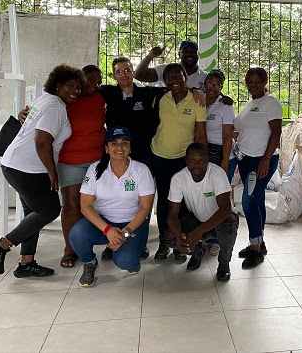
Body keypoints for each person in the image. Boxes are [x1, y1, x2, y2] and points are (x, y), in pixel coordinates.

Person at [99, 56, 203, 261]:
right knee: (120, 199)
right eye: (119, 71)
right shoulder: (107, 92)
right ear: (114, 75)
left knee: (151, 200)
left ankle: (147, 242)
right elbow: (84, 89)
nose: (124, 74)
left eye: (127, 70)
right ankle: (114, 242)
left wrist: (195, 90)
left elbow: (177, 87)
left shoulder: (148, 93)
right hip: (117, 155)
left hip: (144, 156)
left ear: (132, 72)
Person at [0, 64, 84, 278]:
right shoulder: (55, 106)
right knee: (49, 210)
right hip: (28, 168)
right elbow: (42, 142)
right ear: (57, 86)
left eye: (78, 87)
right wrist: (52, 172)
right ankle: (1, 245)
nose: (75, 91)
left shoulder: (44, 100)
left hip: (15, 164)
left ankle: (26, 263)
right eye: (70, 86)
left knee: (33, 214)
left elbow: (29, 123)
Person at [69, 127, 155, 287]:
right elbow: (85, 206)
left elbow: (145, 208)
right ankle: (90, 263)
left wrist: (125, 234)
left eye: (124, 143)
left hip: (132, 224)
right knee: (77, 233)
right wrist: (108, 230)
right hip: (103, 223)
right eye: (114, 143)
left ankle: (133, 255)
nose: (120, 148)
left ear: (130, 147)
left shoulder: (141, 170)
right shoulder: (95, 169)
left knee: (126, 262)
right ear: (106, 148)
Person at [150, 63, 207, 261]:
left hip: (183, 159)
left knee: (182, 202)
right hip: (160, 156)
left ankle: (179, 244)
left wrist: (201, 160)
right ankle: (164, 243)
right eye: (169, 77)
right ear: (164, 81)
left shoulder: (197, 100)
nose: (174, 80)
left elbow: (200, 132)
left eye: (178, 76)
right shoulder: (159, 98)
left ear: (185, 77)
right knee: (165, 201)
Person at [56, 65, 106, 268]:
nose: (95, 84)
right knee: (71, 203)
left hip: (97, 160)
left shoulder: (100, 98)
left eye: (98, 81)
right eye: (90, 80)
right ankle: (70, 248)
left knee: (101, 203)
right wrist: (24, 113)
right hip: (70, 160)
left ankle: (104, 241)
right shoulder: (64, 99)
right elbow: (40, 113)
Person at [166, 143, 238, 281]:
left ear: (208, 160)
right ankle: (197, 249)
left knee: (229, 224)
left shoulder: (217, 174)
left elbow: (225, 209)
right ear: (186, 161)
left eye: (201, 160)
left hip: (219, 220)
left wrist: (199, 231)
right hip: (197, 219)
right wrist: (178, 237)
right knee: (168, 237)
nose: (196, 164)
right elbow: (172, 215)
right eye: (192, 160)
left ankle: (224, 264)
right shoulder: (178, 178)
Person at [233, 67, 282, 269]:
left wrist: (265, 159)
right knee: (258, 200)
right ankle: (258, 243)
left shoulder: (270, 103)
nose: (253, 85)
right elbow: (243, 131)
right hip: (245, 161)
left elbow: (275, 133)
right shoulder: (249, 104)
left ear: (265, 82)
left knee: (249, 202)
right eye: (249, 81)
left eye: (257, 81)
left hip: (262, 160)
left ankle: (255, 251)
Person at [135, 40, 207, 91]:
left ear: (198, 54)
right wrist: (150, 56)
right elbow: (139, 76)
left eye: (193, 51)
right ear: (179, 54)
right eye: (185, 52)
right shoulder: (166, 69)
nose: (189, 54)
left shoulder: (206, 77)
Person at [204, 69, 237, 179]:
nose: (213, 88)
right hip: (204, 153)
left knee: (221, 192)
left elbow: (228, 135)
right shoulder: (198, 100)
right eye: (210, 83)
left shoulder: (225, 105)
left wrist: (225, 162)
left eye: (217, 85)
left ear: (221, 88)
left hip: (222, 154)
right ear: (205, 83)